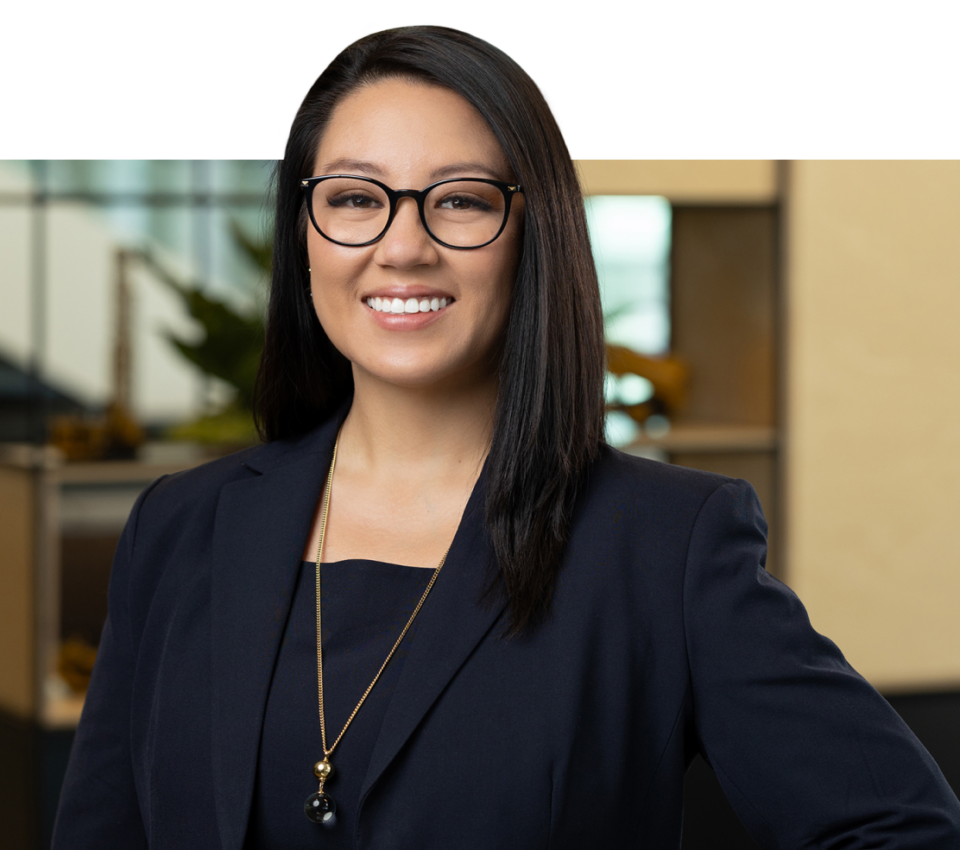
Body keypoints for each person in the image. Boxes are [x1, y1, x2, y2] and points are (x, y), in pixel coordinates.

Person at [53, 25, 960, 850]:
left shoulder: (666, 545)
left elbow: (900, 829)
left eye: (459, 201)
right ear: (305, 233)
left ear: (535, 230)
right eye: (356, 198)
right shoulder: (180, 527)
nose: (402, 246)